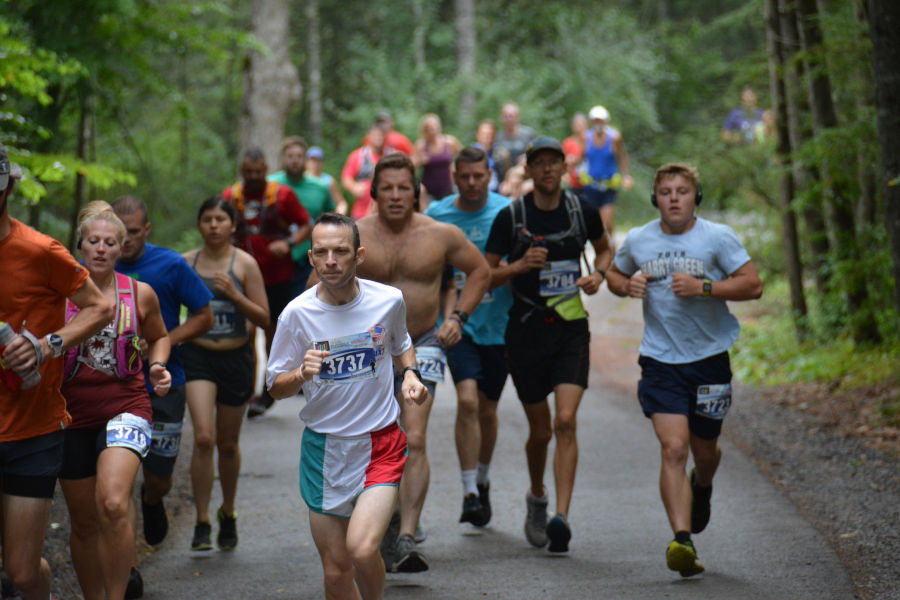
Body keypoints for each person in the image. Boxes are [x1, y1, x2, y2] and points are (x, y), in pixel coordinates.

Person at [605, 163, 762, 577]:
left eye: (683, 191)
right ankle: (682, 540)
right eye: (666, 192)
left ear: (696, 197)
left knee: (704, 451)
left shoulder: (717, 238)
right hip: (660, 361)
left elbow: (752, 284)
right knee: (673, 447)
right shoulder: (640, 239)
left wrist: (705, 287)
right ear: (655, 198)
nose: (674, 198)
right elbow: (615, 274)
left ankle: (703, 485)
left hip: (709, 359)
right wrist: (627, 286)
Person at [267, 213, 428, 599]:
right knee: (337, 569)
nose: (331, 260)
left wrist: (410, 375)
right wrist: (301, 375)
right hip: (324, 449)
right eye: (321, 252)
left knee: (361, 548)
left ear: (359, 255)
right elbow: (274, 387)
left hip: (380, 443)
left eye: (340, 251)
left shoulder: (388, 301)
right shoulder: (296, 315)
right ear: (310, 258)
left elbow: (402, 342)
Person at [351, 153, 490, 572]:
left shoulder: (440, 233)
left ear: (417, 192)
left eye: (403, 188)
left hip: (423, 341)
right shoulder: (353, 234)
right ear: (374, 192)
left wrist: (458, 317)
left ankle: (407, 534)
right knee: (370, 440)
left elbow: (480, 271)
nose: (395, 196)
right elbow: (315, 283)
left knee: (413, 437)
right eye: (387, 188)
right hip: (366, 349)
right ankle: (384, 518)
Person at [484, 136, 613, 554]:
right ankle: (537, 497)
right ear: (530, 168)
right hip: (524, 331)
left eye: (553, 162)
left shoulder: (581, 209)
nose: (546, 170)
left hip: (570, 328)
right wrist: (520, 266)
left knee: (565, 422)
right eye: (538, 163)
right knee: (540, 431)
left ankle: (561, 516)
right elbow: (487, 273)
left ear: (563, 167)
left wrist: (598, 276)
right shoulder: (512, 215)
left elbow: (605, 249)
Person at [0, 143, 113, 600]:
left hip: (32, 429)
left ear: (7, 187)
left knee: (23, 573)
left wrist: (48, 345)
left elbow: (99, 308)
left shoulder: (39, 249)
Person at [59, 201, 172, 600]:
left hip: (127, 405)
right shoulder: (57, 297)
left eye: (110, 242)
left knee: (111, 502)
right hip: (71, 413)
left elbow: (160, 336)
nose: (102, 248)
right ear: (80, 246)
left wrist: (157, 366)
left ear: (122, 248)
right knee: (85, 522)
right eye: (94, 241)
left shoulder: (139, 294)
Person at [112, 195, 214, 593]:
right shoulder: (98, 265)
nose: (123, 243)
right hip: (115, 386)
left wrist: (164, 340)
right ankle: (128, 569)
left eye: (133, 234)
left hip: (164, 383)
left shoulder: (170, 264)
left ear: (147, 230)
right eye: (119, 234)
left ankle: (153, 501)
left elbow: (204, 315)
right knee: (117, 484)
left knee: (157, 480)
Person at [424, 147, 513, 527]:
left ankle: (483, 477)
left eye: (480, 176)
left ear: (489, 174)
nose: (473, 183)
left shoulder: (509, 211)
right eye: (466, 177)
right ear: (455, 177)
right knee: (467, 401)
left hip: (501, 326)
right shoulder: (437, 216)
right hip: (458, 327)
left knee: (488, 411)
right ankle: (469, 493)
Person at [181, 197, 270, 552]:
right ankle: (201, 520)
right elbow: (167, 306)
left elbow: (264, 318)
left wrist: (235, 295)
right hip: (197, 356)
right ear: (200, 225)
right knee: (204, 437)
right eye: (207, 219)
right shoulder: (186, 263)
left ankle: (227, 512)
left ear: (233, 225)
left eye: (221, 219)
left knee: (228, 444)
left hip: (235, 358)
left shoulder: (245, 264)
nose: (214, 225)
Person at [221, 147, 311, 417]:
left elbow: (306, 224)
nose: (254, 177)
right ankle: (247, 391)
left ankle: (267, 388)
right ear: (241, 171)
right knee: (246, 333)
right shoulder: (230, 196)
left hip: (277, 278)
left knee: (273, 334)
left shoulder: (281, 195)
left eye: (258, 172)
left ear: (266, 169)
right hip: (241, 279)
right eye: (248, 172)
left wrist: (289, 243)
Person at [268, 137, 341, 292]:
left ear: (306, 160)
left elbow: (331, 217)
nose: (295, 161)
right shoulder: (271, 185)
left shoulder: (320, 187)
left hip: (309, 259)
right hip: (275, 259)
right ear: (283, 159)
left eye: (299, 156)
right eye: (290, 156)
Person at [581, 105, 634, 235]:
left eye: (601, 120)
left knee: (607, 224)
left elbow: (622, 157)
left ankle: (611, 250)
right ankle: (600, 251)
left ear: (606, 121)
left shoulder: (614, 137)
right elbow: (581, 158)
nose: (598, 123)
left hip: (609, 186)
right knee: (593, 224)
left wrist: (626, 176)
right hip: (591, 186)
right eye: (595, 120)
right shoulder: (585, 138)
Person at [413, 113, 463, 205]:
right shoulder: (421, 145)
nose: (432, 131)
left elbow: (464, 156)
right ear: (424, 130)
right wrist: (420, 161)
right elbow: (411, 166)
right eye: (428, 128)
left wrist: (455, 168)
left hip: (447, 188)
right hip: (428, 191)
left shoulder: (449, 142)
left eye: (434, 127)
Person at [342, 125, 386, 220]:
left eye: (381, 135)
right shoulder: (358, 155)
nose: (379, 137)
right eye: (376, 135)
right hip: (361, 212)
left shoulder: (391, 155)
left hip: (385, 212)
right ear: (369, 137)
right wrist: (354, 187)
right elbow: (346, 178)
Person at [494, 103, 536, 179]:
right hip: (504, 174)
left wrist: (527, 157)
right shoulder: (498, 137)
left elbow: (534, 152)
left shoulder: (528, 134)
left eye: (511, 116)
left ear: (518, 118)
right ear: (501, 118)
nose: (509, 119)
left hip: (524, 173)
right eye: (506, 116)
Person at [304, 146, 349, 217]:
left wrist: (338, 216)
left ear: (322, 162)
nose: (315, 163)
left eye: (318, 160)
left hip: (323, 220)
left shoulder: (328, 180)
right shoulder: (301, 179)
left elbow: (342, 203)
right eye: (313, 160)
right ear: (306, 161)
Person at [473, 119, 505, 192]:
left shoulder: (500, 153)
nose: (487, 138)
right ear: (478, 135)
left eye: (490, 134)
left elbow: (505, 174)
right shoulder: (471, 153)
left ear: (495, 137)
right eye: (484, 135)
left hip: (498, 191)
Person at [562, 112, 588, 191]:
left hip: (591, 184)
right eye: (576, 123)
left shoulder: (592, 142)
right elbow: (562, 163)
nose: (578, 126)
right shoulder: (567, 142)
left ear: (586, 125)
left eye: (581, 123)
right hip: (573, 184)